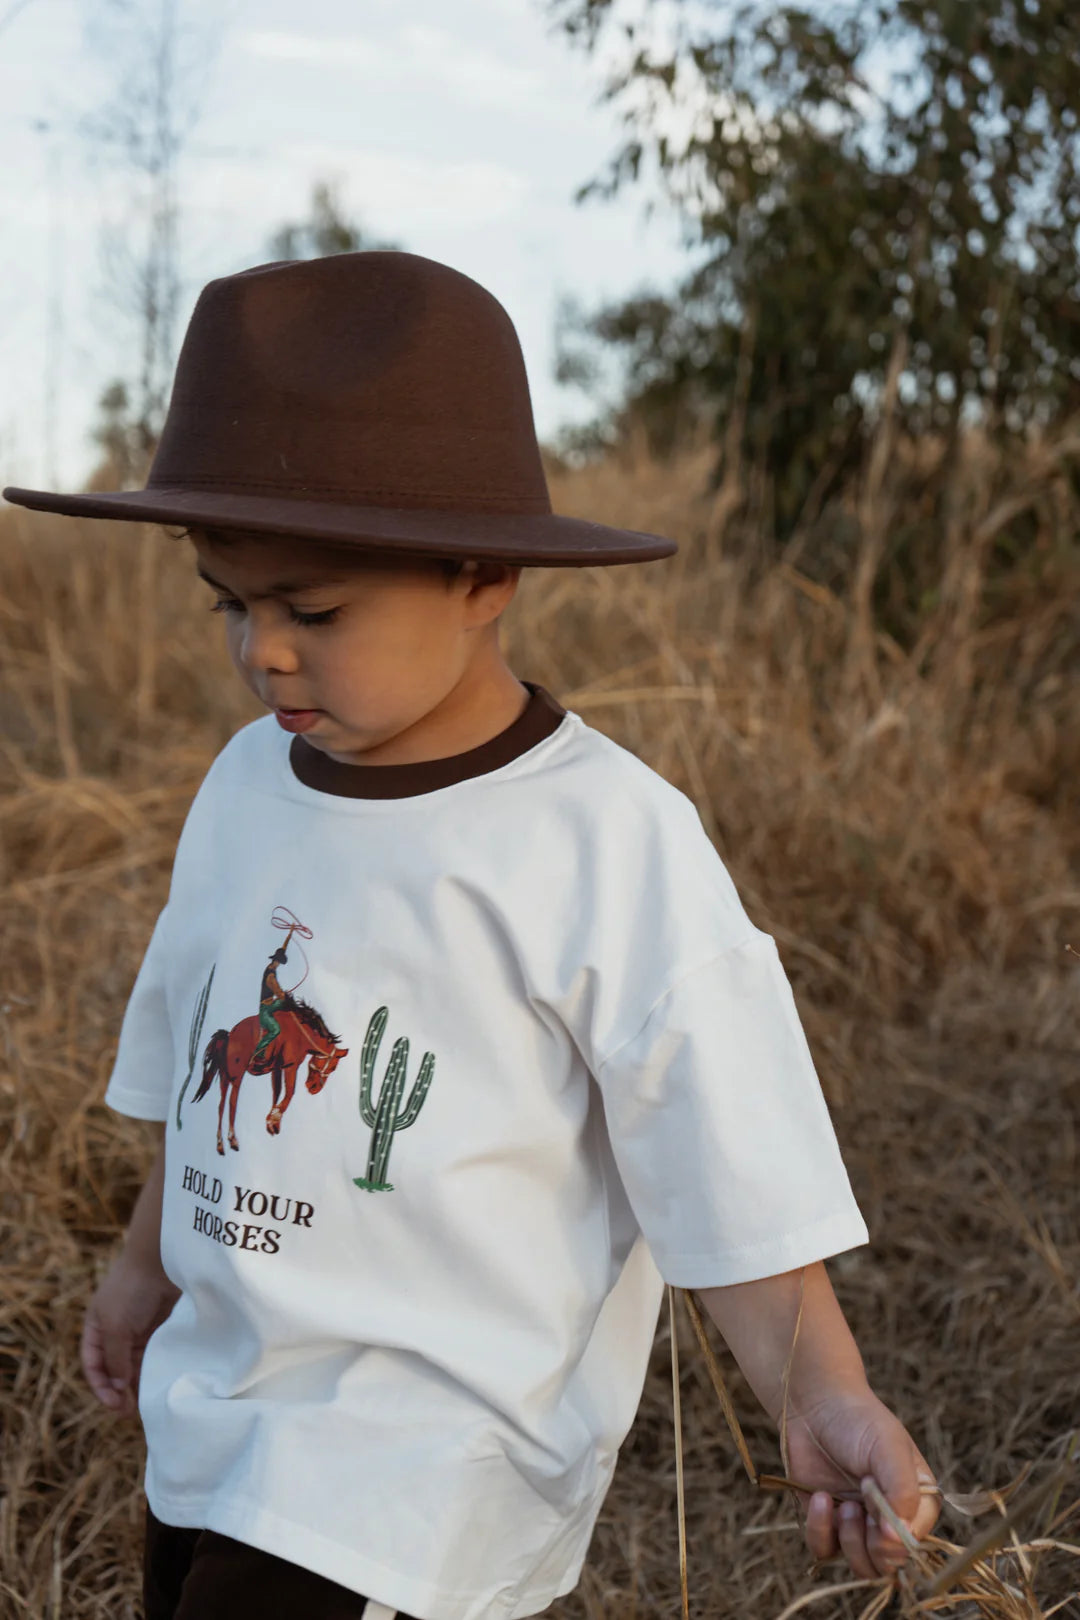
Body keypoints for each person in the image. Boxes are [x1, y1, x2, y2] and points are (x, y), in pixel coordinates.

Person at [4, 251, 939, 1620]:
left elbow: (726, 1157)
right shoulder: (246, 787)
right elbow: (210, 1074)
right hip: (219, 1410)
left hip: (422, 1467)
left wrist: (824, 1386)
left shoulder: (605, 840)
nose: (259, 652)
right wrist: (147, 1260)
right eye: (229, 600)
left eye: (312, 610)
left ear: (483, 574)